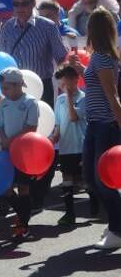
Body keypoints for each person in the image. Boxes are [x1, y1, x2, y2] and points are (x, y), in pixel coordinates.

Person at [75, 7, 121, 249]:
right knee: (91, 180)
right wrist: (82, 71)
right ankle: (116, 224)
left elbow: (112, 95)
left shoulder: (103, 57)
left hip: (104, 125)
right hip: (95, 124)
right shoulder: (100, 57)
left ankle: (116, 228)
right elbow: (98, 85)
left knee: (102, 181)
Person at [0, 0, 67, 107]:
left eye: (24, 3)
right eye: (16, 4)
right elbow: (0, 57)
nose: (20, 8)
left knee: (43, 124)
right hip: (14, 88)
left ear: (33, 3)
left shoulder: (47, 26)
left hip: (42, 86)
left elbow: (61, 57)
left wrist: (63, 83)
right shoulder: (7, 27)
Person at [0, 67, 39, 240]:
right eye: (2, 88)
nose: (4, 92)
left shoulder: (30, 102)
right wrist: (4, 140)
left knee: (23, 187)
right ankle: (22, 213)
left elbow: (31, 128)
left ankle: (23, 226)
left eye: (7, 88)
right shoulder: (4, 103)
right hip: (6, 151)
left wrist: (11, 140)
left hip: (24, 153)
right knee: (4, 187)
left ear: (19, 85)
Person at [51, 64, 95, 226]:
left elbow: (74, 117)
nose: (63, 88)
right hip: (66, 147)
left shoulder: (84, 98)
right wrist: (54, 137)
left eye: (65, 83)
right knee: (67, 178)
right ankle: (70, 213)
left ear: (75, 79)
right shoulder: (60, 99)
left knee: (85, 179)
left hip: (81, 146)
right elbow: (58, 123)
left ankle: (94, 202)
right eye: (61, 85)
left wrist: (69, 97)